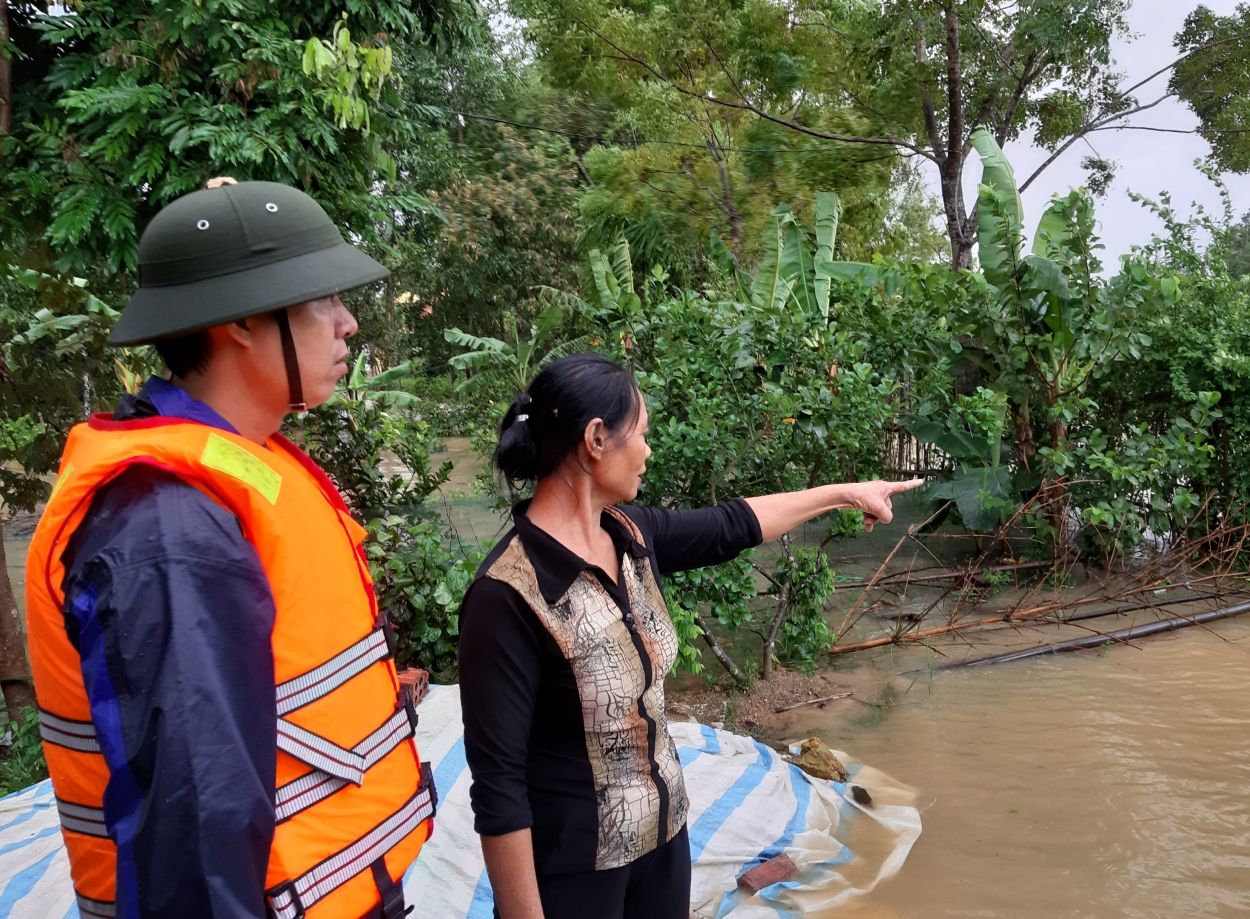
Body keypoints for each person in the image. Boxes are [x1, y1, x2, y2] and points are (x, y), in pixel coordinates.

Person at [25, 179, 435, 919]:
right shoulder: (168, 525)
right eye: (323, 299)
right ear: (244, 320)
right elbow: (195, 819)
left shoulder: (240, 467)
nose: (347, 324)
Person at [457, 353, 922, 919]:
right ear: (596, 439)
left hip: (665, 842)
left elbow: (735, 524)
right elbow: (499, 788)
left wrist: (847, 493)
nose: (649, 452)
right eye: (642, 435)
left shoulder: (630, 534)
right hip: (576, 870)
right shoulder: (507, 594)